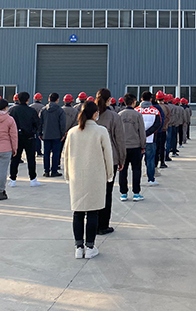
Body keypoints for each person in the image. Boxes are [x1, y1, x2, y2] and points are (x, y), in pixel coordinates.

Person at [62, 100, 115, 259]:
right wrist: (110, 174)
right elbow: (108, 155)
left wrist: (67, 174)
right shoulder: (101, 131)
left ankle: (78, 247)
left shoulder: (72, 132)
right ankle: (90, 246)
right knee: (93, 212)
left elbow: (65, 156)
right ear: (95, 113)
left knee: (78, 212)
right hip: (96, 176)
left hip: (77, 176)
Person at [96, 88, 126, 236]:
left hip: (92, 159)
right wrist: (121, 159)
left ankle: (92, 223)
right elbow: (119, 139)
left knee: (94, 192)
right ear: (109, 100)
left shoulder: (90, 114)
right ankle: (103, 225)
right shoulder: (114, 116)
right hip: (109, 159)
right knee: (107, 193)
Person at [9, 92, 41, 187]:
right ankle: (33, 179)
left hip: (16, 137)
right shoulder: (32, 111)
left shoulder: (12, 110)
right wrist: (33, 131)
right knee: (31, 158)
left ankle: (13, 179)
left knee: (15, 158)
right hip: (29, 137)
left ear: (17, 99)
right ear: (28, 100)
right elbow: (37, 124)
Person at [118, 93, 146, 202]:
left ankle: (123, 193)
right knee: (136, 170)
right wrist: (143, 145)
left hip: (123, 147)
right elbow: (142, 132)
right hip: (135, 146)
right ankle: (136, 193)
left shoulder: (119, 115)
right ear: (134, 102)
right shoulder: (137, 115)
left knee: (122, 170)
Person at [136, 91, 162, 185]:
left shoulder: (136, 110)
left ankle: (136, 181)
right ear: (151, 99)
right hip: (151, 139)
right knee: (150, 160)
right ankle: (151, 179)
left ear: (141, 99)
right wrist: (147, 133)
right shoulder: (155, 111)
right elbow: (158, 124)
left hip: (137, 140)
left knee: (137, 162)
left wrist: (140, 134)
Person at [39, 93, 66, 177]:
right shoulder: (60, 110)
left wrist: (40, 133)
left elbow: (40, 123)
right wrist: (63, 134)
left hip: (46, 135)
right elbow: (62, 124)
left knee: (46, 153)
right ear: (57, 100)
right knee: (56, 153)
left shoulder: (43, 110)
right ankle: (54, 171)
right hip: (57, 135)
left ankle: (46, 171)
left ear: (49, 99)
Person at [31, 93, 45, 157]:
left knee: (32, 139)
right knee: (38, 138)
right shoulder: (43, 107)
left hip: (31, 125)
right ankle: (39, 152)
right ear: (40, 99)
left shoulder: (31, 106)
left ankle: (33, 151)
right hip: (39, 124)